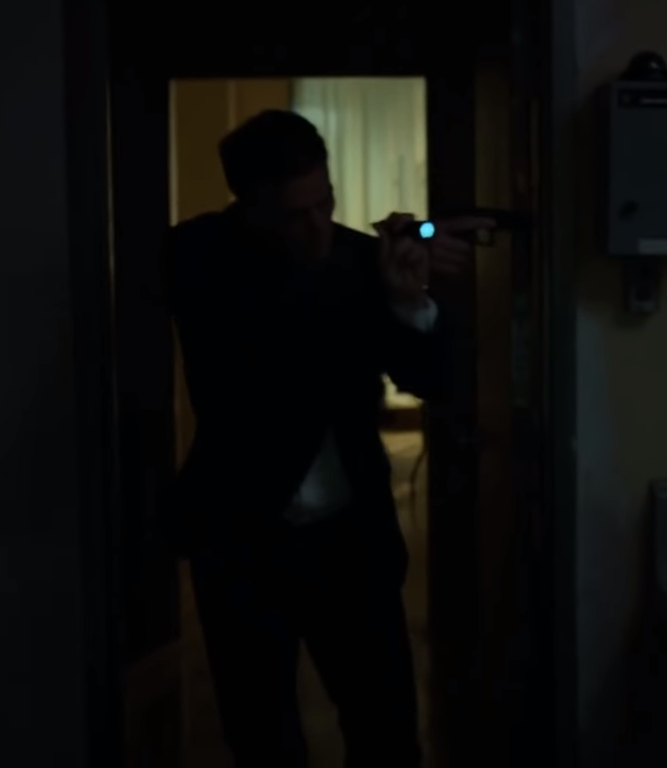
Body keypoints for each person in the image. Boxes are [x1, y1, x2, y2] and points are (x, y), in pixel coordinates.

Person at [162, 109, 490, 767]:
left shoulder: (361, 260)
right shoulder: (192, 255)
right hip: (239, 540)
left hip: (352, 541)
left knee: (386, 734)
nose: (317, 227)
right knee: (261, 741)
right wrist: (361, 280)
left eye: (326, 203)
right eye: (294, 215)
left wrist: (408, 301)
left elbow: (432, 379)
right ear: (247, 205)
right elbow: (263, 355)